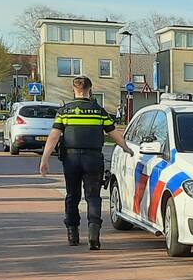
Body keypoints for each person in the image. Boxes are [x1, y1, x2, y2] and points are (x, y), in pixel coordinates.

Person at [39, 76, 134, 250]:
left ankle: (72, 234)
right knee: (93, 196)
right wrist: (127, 148)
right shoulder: (99, 111)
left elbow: (54, 136)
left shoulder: (65, 111)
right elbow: (113, 133)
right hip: (93, 159)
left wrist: (45, 158)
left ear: (73, 90)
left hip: (71, 159)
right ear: (90, 89)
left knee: (72, 196)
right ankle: (93, 235)